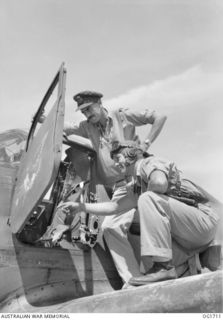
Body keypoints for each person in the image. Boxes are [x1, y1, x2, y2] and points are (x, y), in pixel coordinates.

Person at [59, 141, 219, 286]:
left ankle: (163, 268)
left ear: (131, 154)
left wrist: (145, 209)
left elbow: (159, 183)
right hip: (187, 240)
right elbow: (114, 207)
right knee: (135, 215)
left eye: (118, 158)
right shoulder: (137, 184)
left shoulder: (148, 163)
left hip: (204, 223)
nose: (115, 163)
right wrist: (81, 207)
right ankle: (162, 271)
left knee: (147, 199)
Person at [64, 91, 167, 196]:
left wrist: (145, 145)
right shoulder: (86, 126)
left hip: (134, 182)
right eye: (83, 112)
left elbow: (160, 117)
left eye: (89, 109)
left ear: (99, 102)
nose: (87, 114)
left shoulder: (121, 116)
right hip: (111, 191)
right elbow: (66, 127)